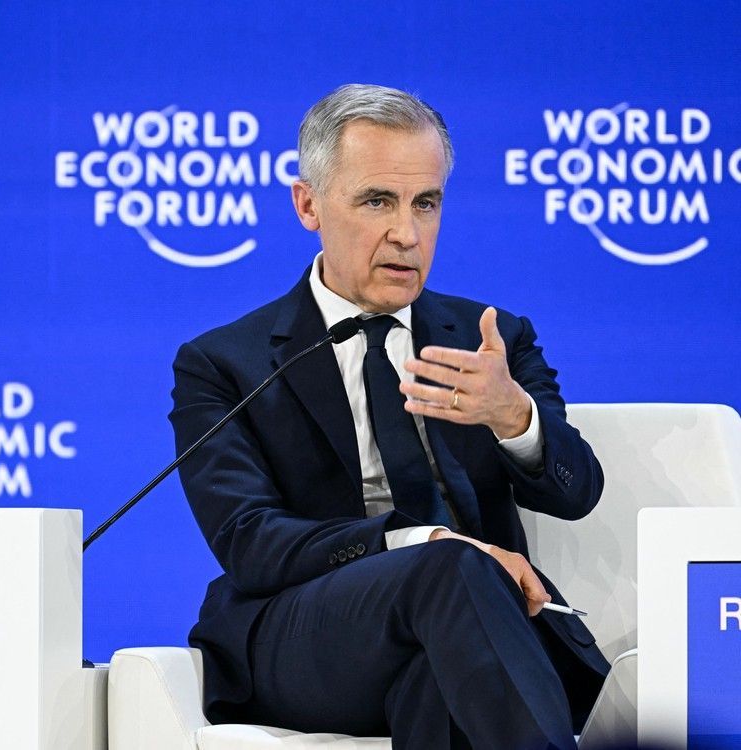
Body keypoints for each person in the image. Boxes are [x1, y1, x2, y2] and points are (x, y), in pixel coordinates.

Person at [169, 84, 609, 750]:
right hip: (302, 634)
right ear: (309, 204)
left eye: (425, 204)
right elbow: (250, 542)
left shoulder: (492, 339)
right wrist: (423, 543)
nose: (406, 233)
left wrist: (514, 417)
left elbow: (577, 493)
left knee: (438, 675)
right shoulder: (225, 361)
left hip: (472, 634)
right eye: (377, 201)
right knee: (450, 570)